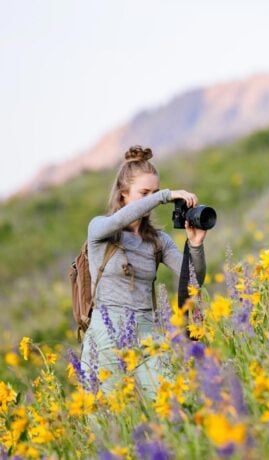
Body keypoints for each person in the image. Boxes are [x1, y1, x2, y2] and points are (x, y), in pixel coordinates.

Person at [80, 144, 207, 397]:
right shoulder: (100, 229)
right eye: (144, 193)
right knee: (104, 419)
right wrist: (164, 196)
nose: (151, 199)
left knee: (174, 398)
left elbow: (191, 278)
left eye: (155, 192)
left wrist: (196, 244)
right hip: (105, 336)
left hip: (147, 333)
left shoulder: (158, 240)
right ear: (123, 193)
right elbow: (119, 220)